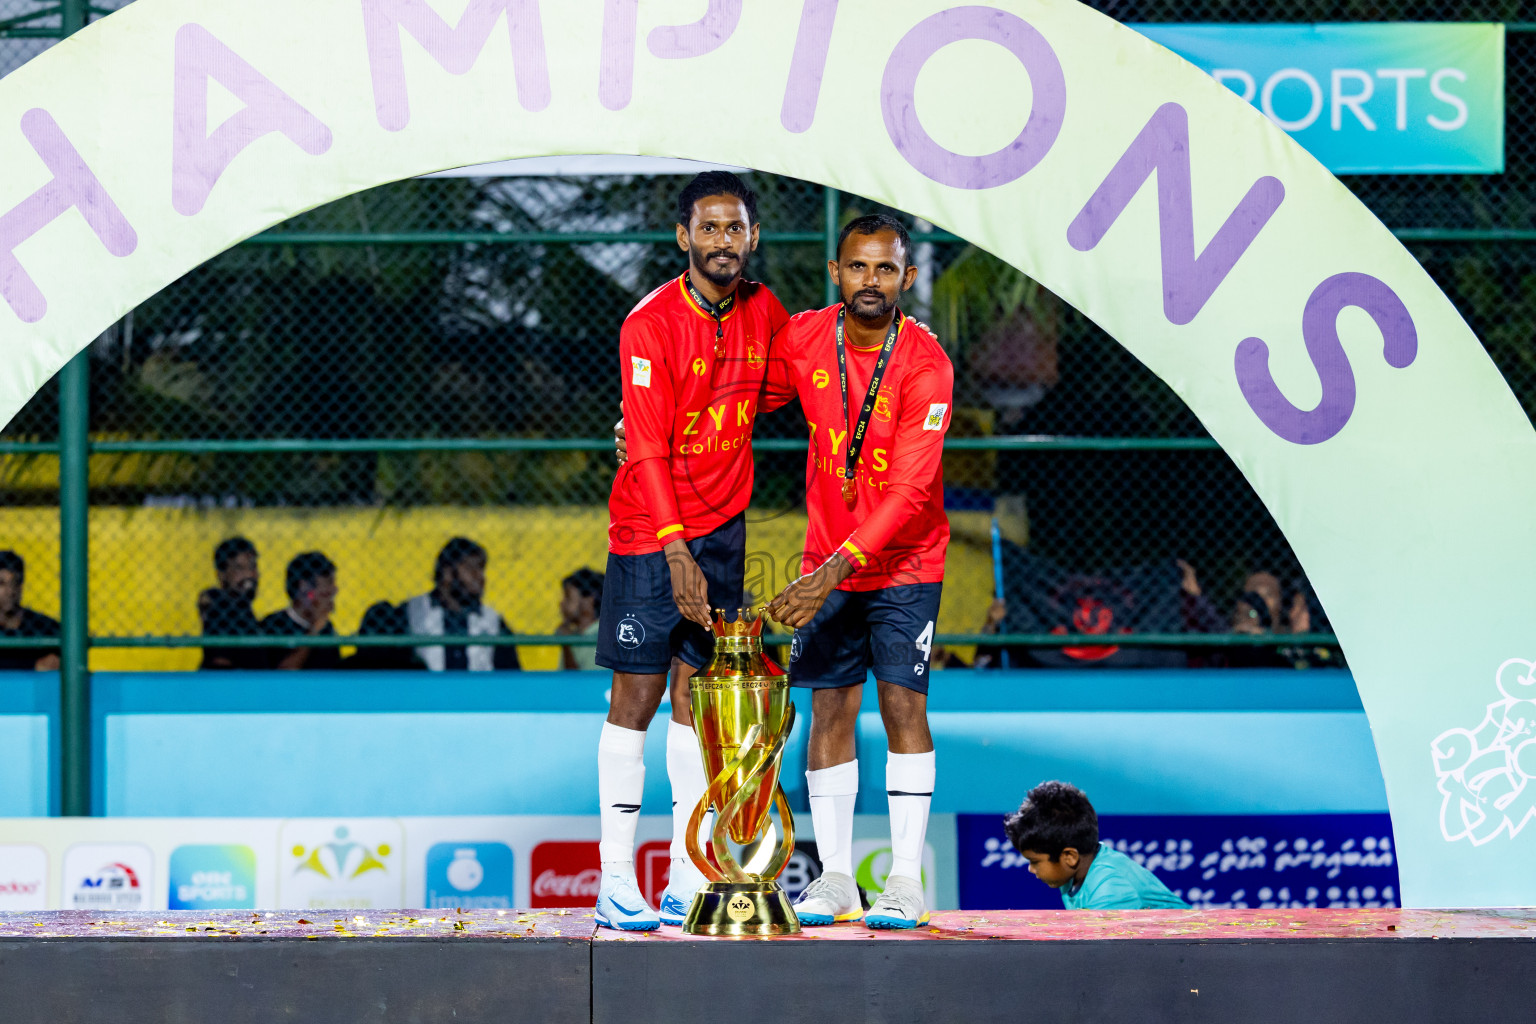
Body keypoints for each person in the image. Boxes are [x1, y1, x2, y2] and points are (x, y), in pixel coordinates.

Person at [593, 171, 790, 931]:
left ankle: (684, 876)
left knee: (696, 699)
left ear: (751, 238)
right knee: (635, 701)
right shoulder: (647, 324)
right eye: (707, 228)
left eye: (733, 228)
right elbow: (642, 447)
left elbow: (777, 387)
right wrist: (675, 552)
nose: (721, 242)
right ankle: (614, 881)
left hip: (725, 532)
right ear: (684, 238)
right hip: (652, 536)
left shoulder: (762, 309)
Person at [762, 214, 953, 930]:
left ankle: (905, 879)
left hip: (905, 562)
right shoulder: (806, 336)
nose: (870, 282)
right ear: (835, 274)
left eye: (885, 269)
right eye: (857, 268)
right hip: (826, 563)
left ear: (907, 277)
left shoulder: (927, 364)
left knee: (904, 705)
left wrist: (829, 574)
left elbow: (908, 494)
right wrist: (647, 423)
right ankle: (837, 877)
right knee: (829, 709)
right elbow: (743, 395)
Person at [1004, 781, 1189, 910]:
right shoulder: (1076, 869)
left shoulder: (1111, 890)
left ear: (1070, 857)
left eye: (1035, 861)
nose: (1030, 869)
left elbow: (1099, 960)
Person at [402, 538, 521, 671]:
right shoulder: (413, 612)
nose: (480, 577)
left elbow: (511, 674)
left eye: (481, 569)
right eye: (470, 569)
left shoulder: (492, 621)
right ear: (447, 573)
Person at [260, 551, 341, 670]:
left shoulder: (327, 628)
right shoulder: (273, 625)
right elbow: (285, 672)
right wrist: (313, 631)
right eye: (326, 592)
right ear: (304, 588)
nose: (334, 591)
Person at [198, 536, 263, 670]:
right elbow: (220, 665)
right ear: (222, 575)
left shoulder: (244, 611)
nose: (249, 574)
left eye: (252, 566)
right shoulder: (220, 608)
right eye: (239, 568)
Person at [0, 551, 59, 671]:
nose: (10, 591)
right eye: (2, 584)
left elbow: (61, 661)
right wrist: (33, 665)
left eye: (15, 583)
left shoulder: (45, 627)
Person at [556, 568, 603, 670]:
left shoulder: (599, 637)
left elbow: (579, 683)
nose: (562, 603)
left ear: (589, 601)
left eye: (568, 597)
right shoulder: (576, 634)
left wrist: (566, 644)